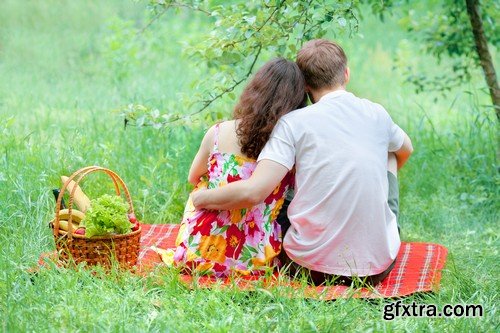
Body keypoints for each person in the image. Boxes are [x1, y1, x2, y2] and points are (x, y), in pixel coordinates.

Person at [191, 39, 414, 286]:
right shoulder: (377, 114)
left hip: (308, 268)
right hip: (375, 269)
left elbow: (253, 192)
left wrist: (200, 198)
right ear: (346, 73)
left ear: (305, 84)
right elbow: (406, 149)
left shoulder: (293, 123)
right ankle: (379, 228)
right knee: (390, 154)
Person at [173, 58, 307, 277]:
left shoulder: (218, 132)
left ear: (255, 90)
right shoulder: (288, 146)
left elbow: (193, 177)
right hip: (254, 259)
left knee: (204, 181)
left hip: (201, 252)